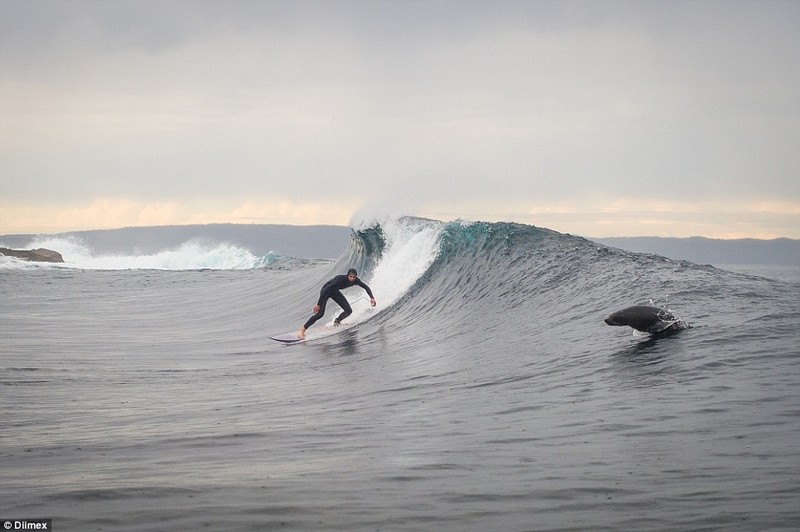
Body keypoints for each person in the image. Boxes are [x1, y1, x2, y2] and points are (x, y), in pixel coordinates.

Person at [297, 268, 376, 339]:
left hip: (335, 292)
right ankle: (302, 330)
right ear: (347, 275)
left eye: (354, 277)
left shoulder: (356, 281)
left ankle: (337, 321)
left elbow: (365, 287)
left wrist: (372, 298)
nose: (352, 278)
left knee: (348, 311)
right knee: (320, 314)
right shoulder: (340, 279)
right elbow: (325, 290)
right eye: (350, 276)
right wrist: (318, 304)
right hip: (326, 291)